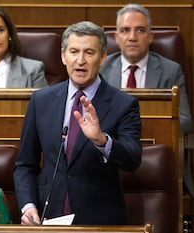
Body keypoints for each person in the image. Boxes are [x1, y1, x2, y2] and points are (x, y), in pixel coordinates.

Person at [13, 21, 142, 225]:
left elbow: (133, 159)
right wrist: (29, 206)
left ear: (102, 58)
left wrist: (102, 141)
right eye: (74, 51)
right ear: (64, 56)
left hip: (100, 221)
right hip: (49, 217)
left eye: (89, 52)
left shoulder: (123, 104)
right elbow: (25, 165)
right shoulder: (41, 100)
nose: (80, 60)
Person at [100, 3, 192, 134]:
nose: (132, 37)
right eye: (125, 30)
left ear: (150, 37)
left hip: (155, 143)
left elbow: (185, 121)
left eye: (140, 30)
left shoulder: (170, 71)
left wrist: (146, 127)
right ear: (116, 37)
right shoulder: (101, 70)